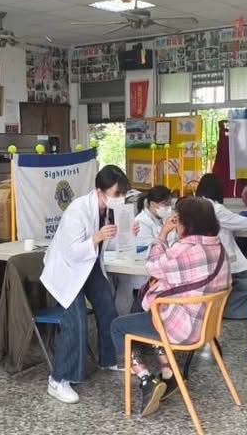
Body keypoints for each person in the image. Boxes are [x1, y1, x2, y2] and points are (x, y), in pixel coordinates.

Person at [108, 198, 230, 416]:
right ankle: (168, 372)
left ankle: (146, 379)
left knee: (119, 326)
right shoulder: (218, 247)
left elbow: (153, 266)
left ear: (186, 223)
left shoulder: (187, 249)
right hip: (206, 326)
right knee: (155, 314)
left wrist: (163, 234)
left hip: (183, 328)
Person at [40, 164, 129, 404]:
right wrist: (96, 237)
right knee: (76, 320)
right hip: (67, 270)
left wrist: (126, 233)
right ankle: (58, 380)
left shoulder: (108, 210)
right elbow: (72, 253)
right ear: (100, 192)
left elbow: (110, 243)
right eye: (116, 193)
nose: (120, 198)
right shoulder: (77, 211)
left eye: (123, 194)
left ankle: (109, 359)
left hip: (89, 266)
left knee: (107, 306)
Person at [194, 173, 247, 320]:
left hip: (202, 255)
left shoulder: (196, 205)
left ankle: (222, 308)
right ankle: (229, 310)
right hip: (220, 255)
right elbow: (243, 223)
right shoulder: (216, 208)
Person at [117, 187, 176, 315]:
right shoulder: (141, 221)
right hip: (142, 274)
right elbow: (150, 248)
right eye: (165, 204)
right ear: (153, 204)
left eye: (170, 204)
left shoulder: (159, 220)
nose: (169, 208)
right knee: (140, 309)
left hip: (154, 271)